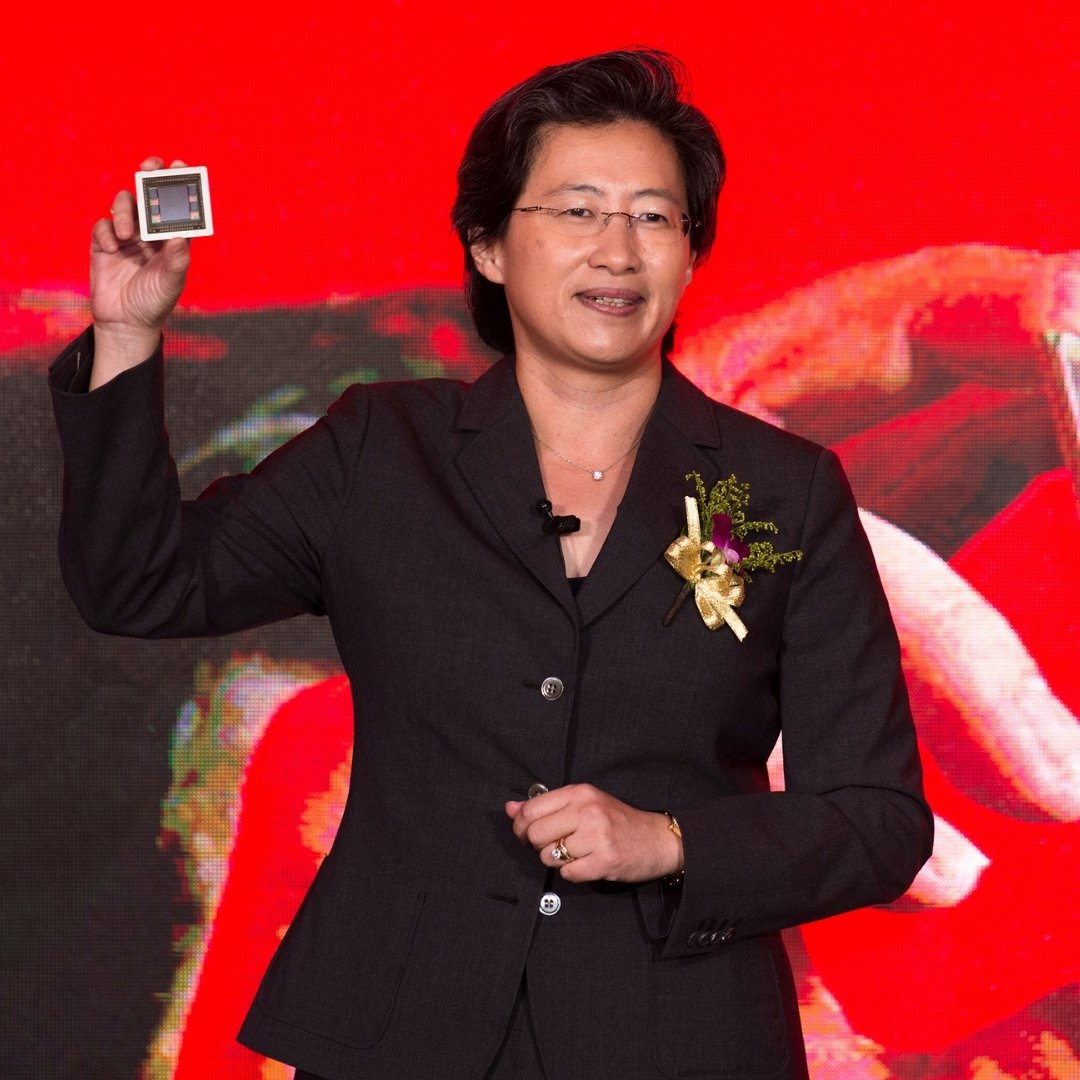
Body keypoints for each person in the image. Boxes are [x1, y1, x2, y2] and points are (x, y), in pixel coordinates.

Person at [49, 49, 932, 1080]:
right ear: (489, 245)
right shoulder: (383, 450)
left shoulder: (782, 489)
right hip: (403, 1033)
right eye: (577, 211)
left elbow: (880, 821)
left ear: (692, 253)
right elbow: (142, 582)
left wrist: (672, 843)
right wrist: (126, 334)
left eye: (654, 217)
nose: (618, 251)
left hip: (679, 1037)